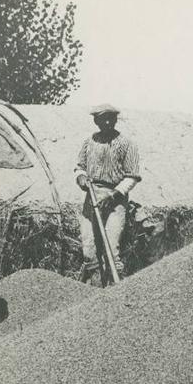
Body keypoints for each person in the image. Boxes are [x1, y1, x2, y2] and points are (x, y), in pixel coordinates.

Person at [75, 104, 143, 283]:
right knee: (89, 249)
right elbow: (79, 167)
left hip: (115, 199)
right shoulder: (89, 142)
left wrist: (113, 195)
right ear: (95, 121)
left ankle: (115, 291)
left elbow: (132, 177)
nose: (107, 122)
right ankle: (94, 288)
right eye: (102, 119)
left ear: (115, 119)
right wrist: (81, 178)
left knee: (112, 249)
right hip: (92, 197)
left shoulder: (127, 144)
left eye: (111, 118)